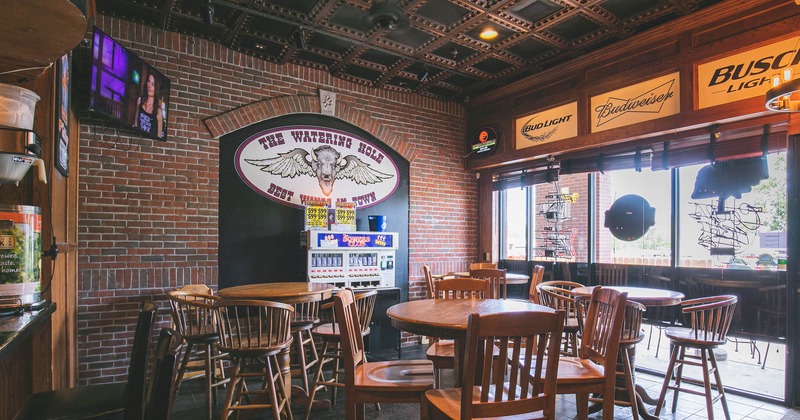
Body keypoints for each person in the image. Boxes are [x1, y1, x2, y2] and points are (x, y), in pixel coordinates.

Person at [134, 73, 164, 138]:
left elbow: (159, 136)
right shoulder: (140, 100)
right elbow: (135, 124)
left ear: (156, 88)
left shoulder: (158, 111)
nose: (149, 86)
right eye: (148, 82)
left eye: (153, 84)